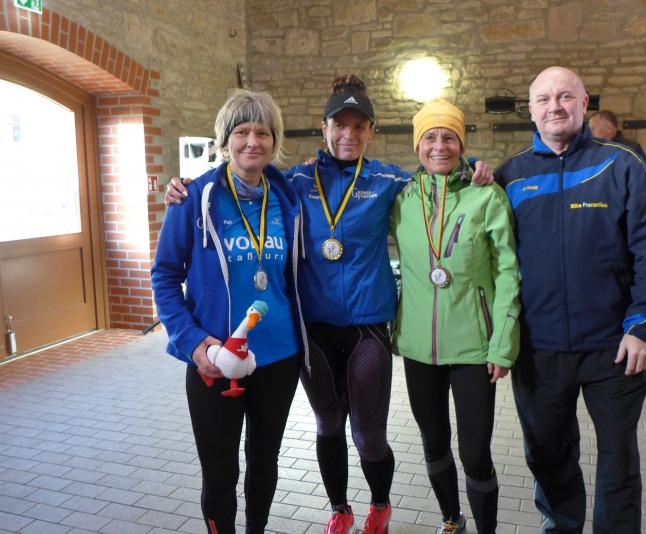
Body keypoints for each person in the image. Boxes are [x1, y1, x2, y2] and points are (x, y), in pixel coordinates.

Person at [163, 75, 493, 534]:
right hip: (311, 330)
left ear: (371, 131)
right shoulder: (293, 182)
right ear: (324, 128)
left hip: (364, 329)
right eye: (339, 124)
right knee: (328, 424)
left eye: (359, 126)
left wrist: (471, 165)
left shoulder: (387, 181)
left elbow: (434, 173)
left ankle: (380, 505)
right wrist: (185, 185)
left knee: (369, 435)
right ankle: (340, 509)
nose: (348, 134)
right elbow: (237, 180)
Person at [495, 66, 646, 533]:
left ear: (585, 103)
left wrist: (642, 327)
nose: (555, 106)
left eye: (565, 96)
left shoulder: (621, 164)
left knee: (618, 456)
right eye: (544, 99)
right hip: (539, 348)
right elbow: (494, 260)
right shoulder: (511, 175)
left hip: (613, 347)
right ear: (531, 110)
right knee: (547, 454)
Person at [151, 90, 306, 534]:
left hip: (278, 355)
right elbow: (164, 275)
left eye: (263, 132)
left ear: (275, 141)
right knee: (220, 472)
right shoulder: (193, 198)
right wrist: (193, 342)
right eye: (241, 132)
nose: (252, 141)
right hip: (215, 357)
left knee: (264, 461)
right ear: (224, 141)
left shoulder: (288, 197)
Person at [391, 99, 520, 534]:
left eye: (449, 137)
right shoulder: (403, 199)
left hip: (474, 347)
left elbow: (508, 273)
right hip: (418, 348)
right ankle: (451, 519)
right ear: (417, 145)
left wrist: (502, 344)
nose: (439, 146)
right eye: (430, 137)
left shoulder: (488, 196)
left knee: (475, 454)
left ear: (462, 145)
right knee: (433, 443)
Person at [589, 109, 646, 176]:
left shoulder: (632, 150)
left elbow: (644, 178)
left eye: (592, 128)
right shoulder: (590, 151)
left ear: (608, 128)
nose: (589, 132)